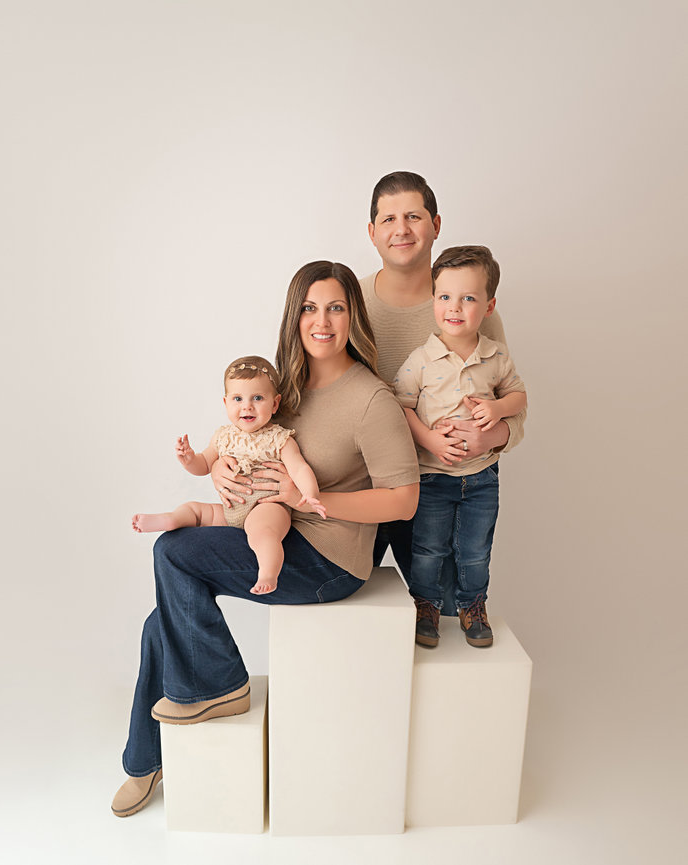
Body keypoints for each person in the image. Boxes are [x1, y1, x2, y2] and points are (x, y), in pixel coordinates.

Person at [112, 261, 419, 818]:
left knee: (173, 551)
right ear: (293, 316)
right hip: (271, 530)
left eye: (336, 307)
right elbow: (247, 437)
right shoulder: (285, 388)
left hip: (328, 560)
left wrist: (308, 500)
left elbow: (403, 500)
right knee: (164, 620)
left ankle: (219, 687)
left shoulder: (370, 399)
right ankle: (144, 760)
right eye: (309, 308)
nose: (322, 321)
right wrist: (219, 466)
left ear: (353, 316)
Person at [359, 171, 525, 614]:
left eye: (413, 216)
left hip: (446, 484)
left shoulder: (473, 308)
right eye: (389, 219)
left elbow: (511, 403)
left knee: (446, 613)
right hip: (362, 487)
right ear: (372, 232)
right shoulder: (349, 303)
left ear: (435, 224)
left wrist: (492, 437)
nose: (402, 229)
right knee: (353, 617)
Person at [394, 246, 527, 648]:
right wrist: (429, 438)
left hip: (481, 477)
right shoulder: (420, 360)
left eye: (468, 298)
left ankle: (473, 606)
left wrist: (497, 409)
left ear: (489, 306)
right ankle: (426, 606)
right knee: (428, 549)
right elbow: (400, 409)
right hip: (433, 477)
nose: (454, 307)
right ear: (433, 301)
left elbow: (519, 397)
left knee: (475, 550)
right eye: (445, 297)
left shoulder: (495, 356)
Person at [131, 355, 326, 595]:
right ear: (225, 403)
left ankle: (268, 572)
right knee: (194, 510)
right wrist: (189, 459)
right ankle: (171, 520)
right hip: (231, 509)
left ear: (275, 404)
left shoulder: (279, 439)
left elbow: (299, 468)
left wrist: (310, 493)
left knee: (262, 533)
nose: (247, 406)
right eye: (238, 399)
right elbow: (204, 464)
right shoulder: (223, 436)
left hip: (267, 507)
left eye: (257, 398)